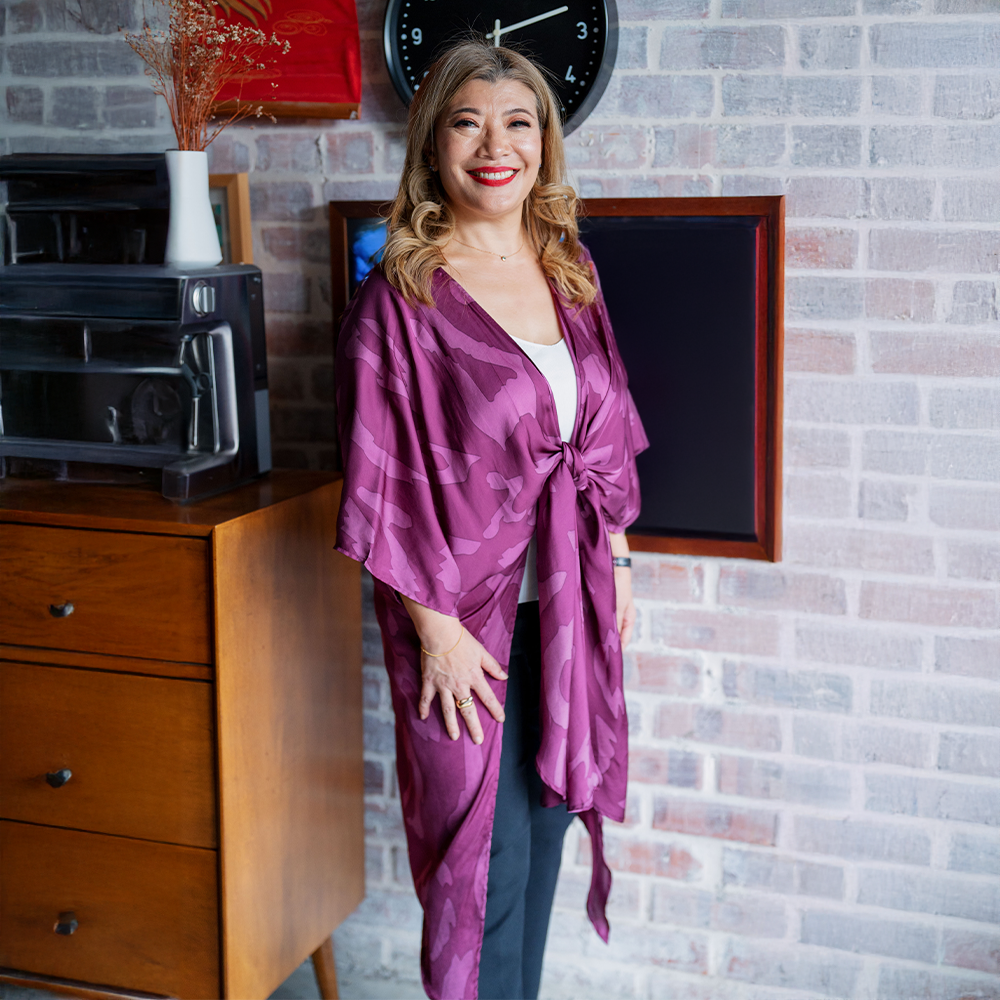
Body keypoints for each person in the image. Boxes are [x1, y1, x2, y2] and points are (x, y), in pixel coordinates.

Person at [334, 40, 648, 1000]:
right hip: (460, 617)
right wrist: (433, 633)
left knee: (549, 820)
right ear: (435, 145)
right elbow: (375, 476)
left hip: (568, 602)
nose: (494, 145)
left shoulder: (572, 271)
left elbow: (602, 434)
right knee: (482, 861)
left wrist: (621, 560)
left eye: (518, 123)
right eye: (467, 122)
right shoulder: (405, 293)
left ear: (545, 147)